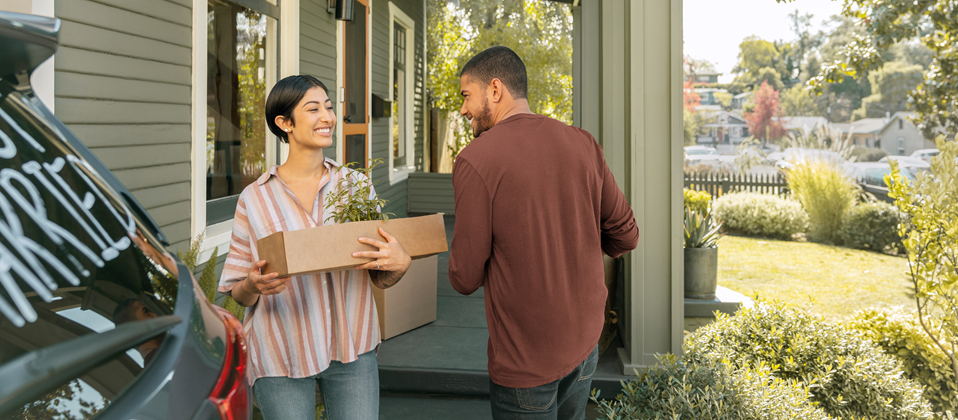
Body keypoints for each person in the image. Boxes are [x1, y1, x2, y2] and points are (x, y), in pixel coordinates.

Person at [449, 46, 639, 420]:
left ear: (495, 89)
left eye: (466, 96)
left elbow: (464, 277)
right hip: (585, 345)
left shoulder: (476, 159)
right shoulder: (582, 142)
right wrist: (574, 241)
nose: (463, 109)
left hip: (525, 362)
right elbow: (626, 236)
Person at [217, 75, 412, 420]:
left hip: (352, 346)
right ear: (285, 123)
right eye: (313, 109)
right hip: (282, 350)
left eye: (329, 107)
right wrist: (252, 285)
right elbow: (238, 292)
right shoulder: (255, 199)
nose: (327, 117)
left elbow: (378, 274)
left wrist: (398, 265)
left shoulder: (355, 185)